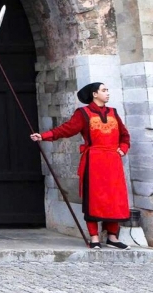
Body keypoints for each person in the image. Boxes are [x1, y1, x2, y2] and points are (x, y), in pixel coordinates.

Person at [31, 82, 131, 249]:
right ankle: (94, 237)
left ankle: (112, 237)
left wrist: (122, 149)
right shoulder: (83, 113)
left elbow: (124, 135)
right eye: (104, 90)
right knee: (94, 198)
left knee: (115, 197)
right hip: (94, 161)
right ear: (94, 94)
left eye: (107, 90)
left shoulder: (113, 112)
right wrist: (44, 136)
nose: (107, 93)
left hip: (113, 161)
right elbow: (67, 129)